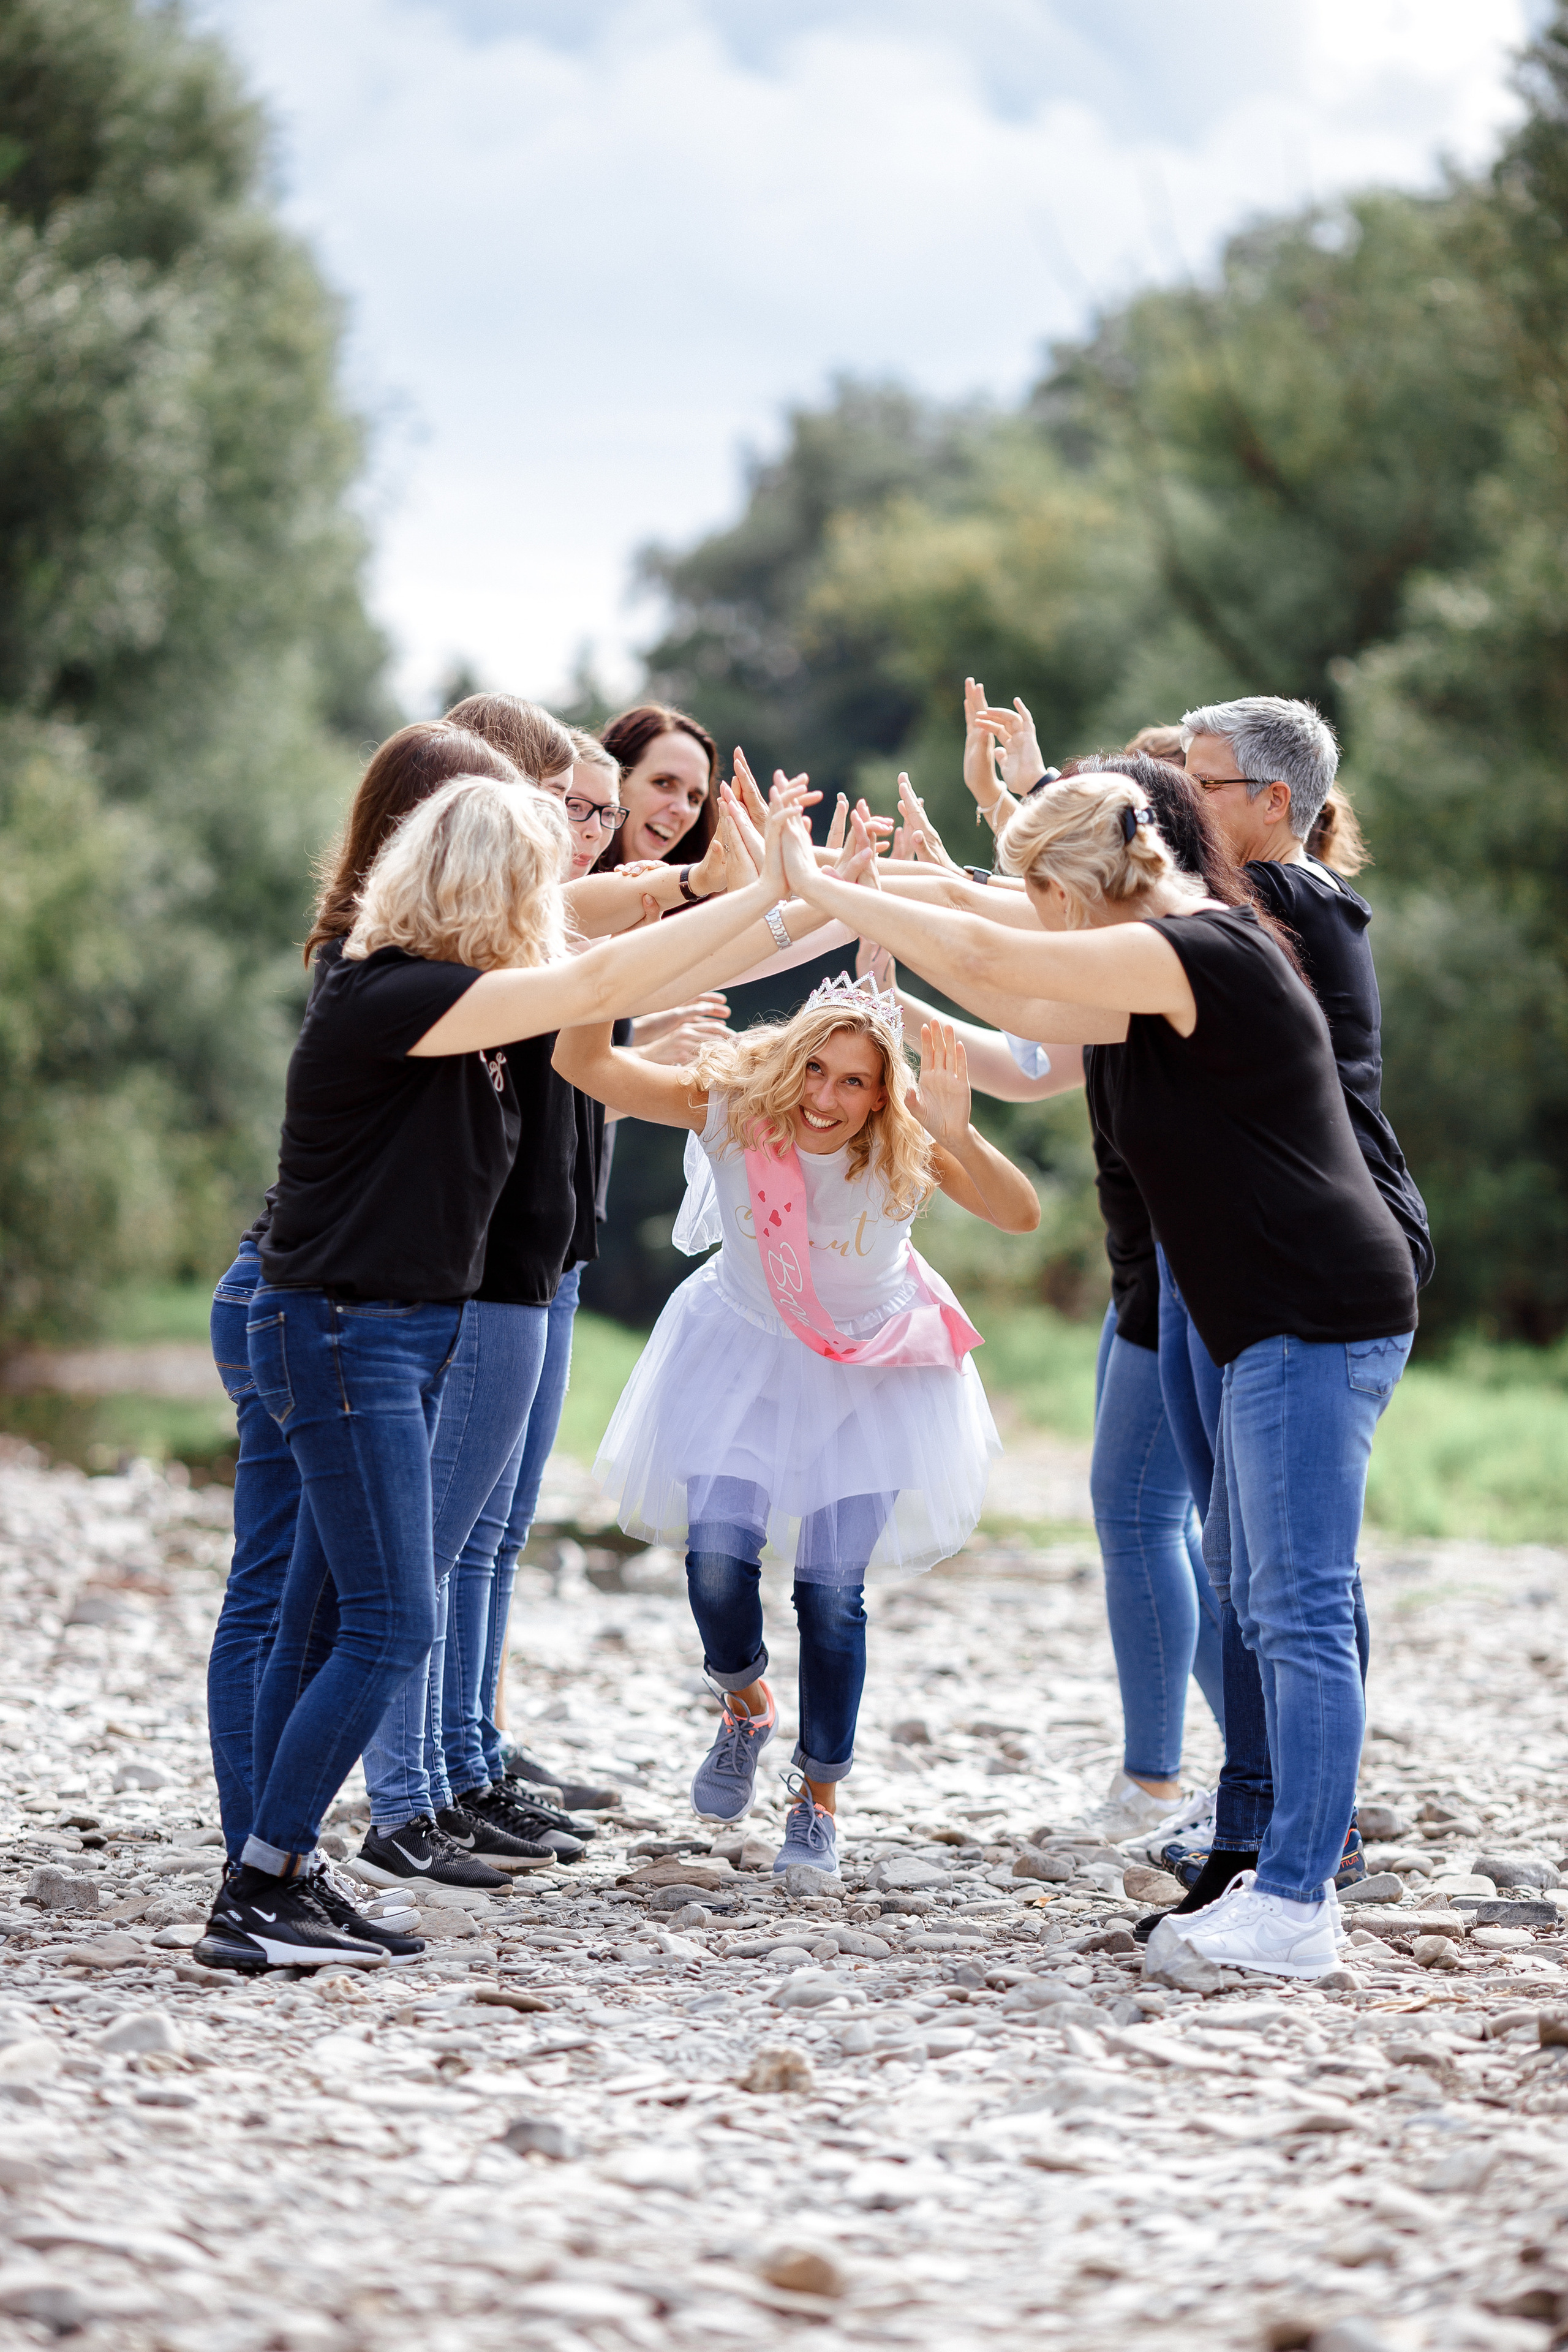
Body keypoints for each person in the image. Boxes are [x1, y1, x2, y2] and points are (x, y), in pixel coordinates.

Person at [778, 774, 1417, 1977]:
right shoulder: (1146, 957)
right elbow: (999, 962)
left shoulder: (1203, 950)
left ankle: (1295, 1900)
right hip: (1259, 1312)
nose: (1030, 910)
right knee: (1249, 1581)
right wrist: (851, 890)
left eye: (1039, 887)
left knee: (1295, 1604)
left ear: (1095, 878)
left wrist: (822, 887)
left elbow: (985, 944)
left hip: (1309, 1305)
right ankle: (1259, 1857)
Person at [196, 771, 809, 1970]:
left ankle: (275, 1870)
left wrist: (795, 899)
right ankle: (260, 1887)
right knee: (389, 1621)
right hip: (338, 1329)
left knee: (334, 1619)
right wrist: (772, 886)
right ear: (493, 881)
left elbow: (619, 973)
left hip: (381, 1329)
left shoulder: (468, 999)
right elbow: (603, 974)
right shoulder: (396, 994)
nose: (566, 893)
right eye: (546, 873)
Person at [554, 978, 1039, 1875]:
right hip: (746, 1357)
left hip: (872, 1375)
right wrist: (615, 959)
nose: (824, 1099)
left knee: (829, 1592)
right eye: (814, 1069)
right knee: (715, 1562)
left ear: (884, 1091)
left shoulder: (912, 1139)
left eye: (854, 1083)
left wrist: (959, 1127)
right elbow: (583, 1064)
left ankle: (816, 1802)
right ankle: (745, 1704)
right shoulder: (735, 1111)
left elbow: (1021, 1214)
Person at [1137, 697, 1432, 1926]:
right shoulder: (1248, 899)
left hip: (1320, 1264)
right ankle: (1263, 1826)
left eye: (1197, 786)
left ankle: (1302, 1859)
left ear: (1274, 804)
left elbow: (1104, 913)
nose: (1179, 806)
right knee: (1249, 1563)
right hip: (1260, 1264)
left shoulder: (1289, 900)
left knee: (1288, 1585)